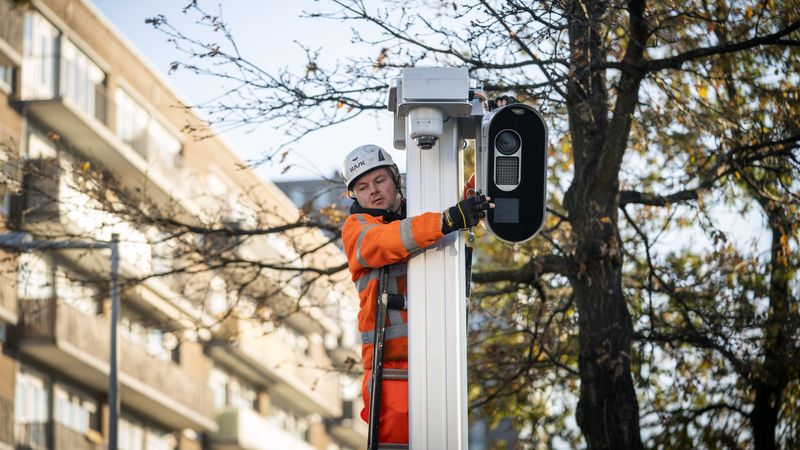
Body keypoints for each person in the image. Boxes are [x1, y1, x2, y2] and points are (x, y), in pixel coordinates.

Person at [340, 144, 492, 444]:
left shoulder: (426, 209)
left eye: (379, 180)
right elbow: (387, 240)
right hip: (390, 369)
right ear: (355, 195)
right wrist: (447, 220)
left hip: (440, 356)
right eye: (362, 187)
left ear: (396, 179)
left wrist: (493, 146)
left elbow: (466, 199)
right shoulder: (356, 228)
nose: (373, 191)